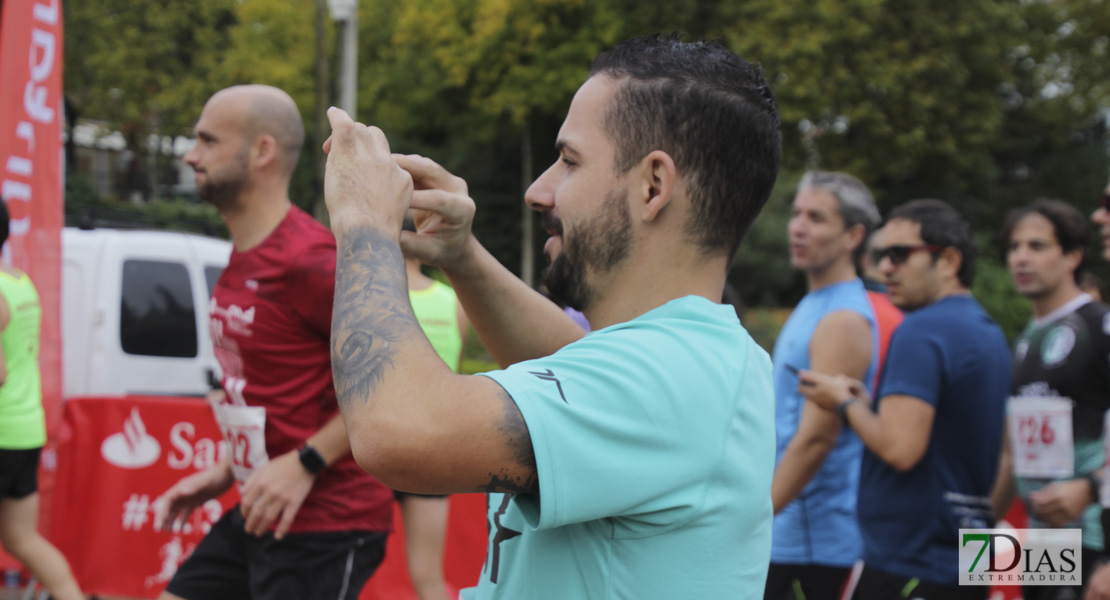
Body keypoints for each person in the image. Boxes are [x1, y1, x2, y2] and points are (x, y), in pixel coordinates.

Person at [322, 34, 782, 599]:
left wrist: (362, 223)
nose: (538, 191)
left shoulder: (674, 371)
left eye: (569, 161)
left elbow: (401, 431)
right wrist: (461, 257)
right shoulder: (695, 359)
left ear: (653, 186)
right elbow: (565, 360)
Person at [152, 85, 394, 600]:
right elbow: (277, 396)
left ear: (261, 151)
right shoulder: (244, 256)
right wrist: (223, 473)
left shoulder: (311, 261)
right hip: (262, 504)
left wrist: (306, 461)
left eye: (207, 140)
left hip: (328, 521)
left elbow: (393, 375)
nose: (191, 156)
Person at [799, 199, 1011, 599]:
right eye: (881, 255)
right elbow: (1000, 453)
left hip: (907, 566)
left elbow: (900, 449)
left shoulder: (923, 329)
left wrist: (843, 402)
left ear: (948, 261)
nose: (885, 268)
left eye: (900, 254)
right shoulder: (988, 332)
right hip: (962, 567)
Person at [767, 171, 884, 600]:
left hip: (813, 545)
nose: (798, 227)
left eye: (816, 218)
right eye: (797, 214)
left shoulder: (843, 318)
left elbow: (817, 438)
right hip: (788, 533)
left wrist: (753, 520)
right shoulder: (815, 303)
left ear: (853, 235)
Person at [993, 200, 1110, 599]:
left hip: (1094, 535)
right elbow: (1014, 453)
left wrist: (1092, 488)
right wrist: (976, 534)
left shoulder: (1099, 324)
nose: (1021, 258)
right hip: (1044, 541)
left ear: (1072, 256)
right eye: (1014, 247)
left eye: (1037, 246)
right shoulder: (1026, 339)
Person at [0, 200, 83, 600]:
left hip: (2, 428)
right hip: (25, 428)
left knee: (21, 539)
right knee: (21, 538)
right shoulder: (18, 281)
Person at [397, 214, 470, 600]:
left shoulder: (368, 301)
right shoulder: (453, 302)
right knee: (428, 576)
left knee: (339, 559)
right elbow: (453, 374)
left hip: (373, 439)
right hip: (433, 443)